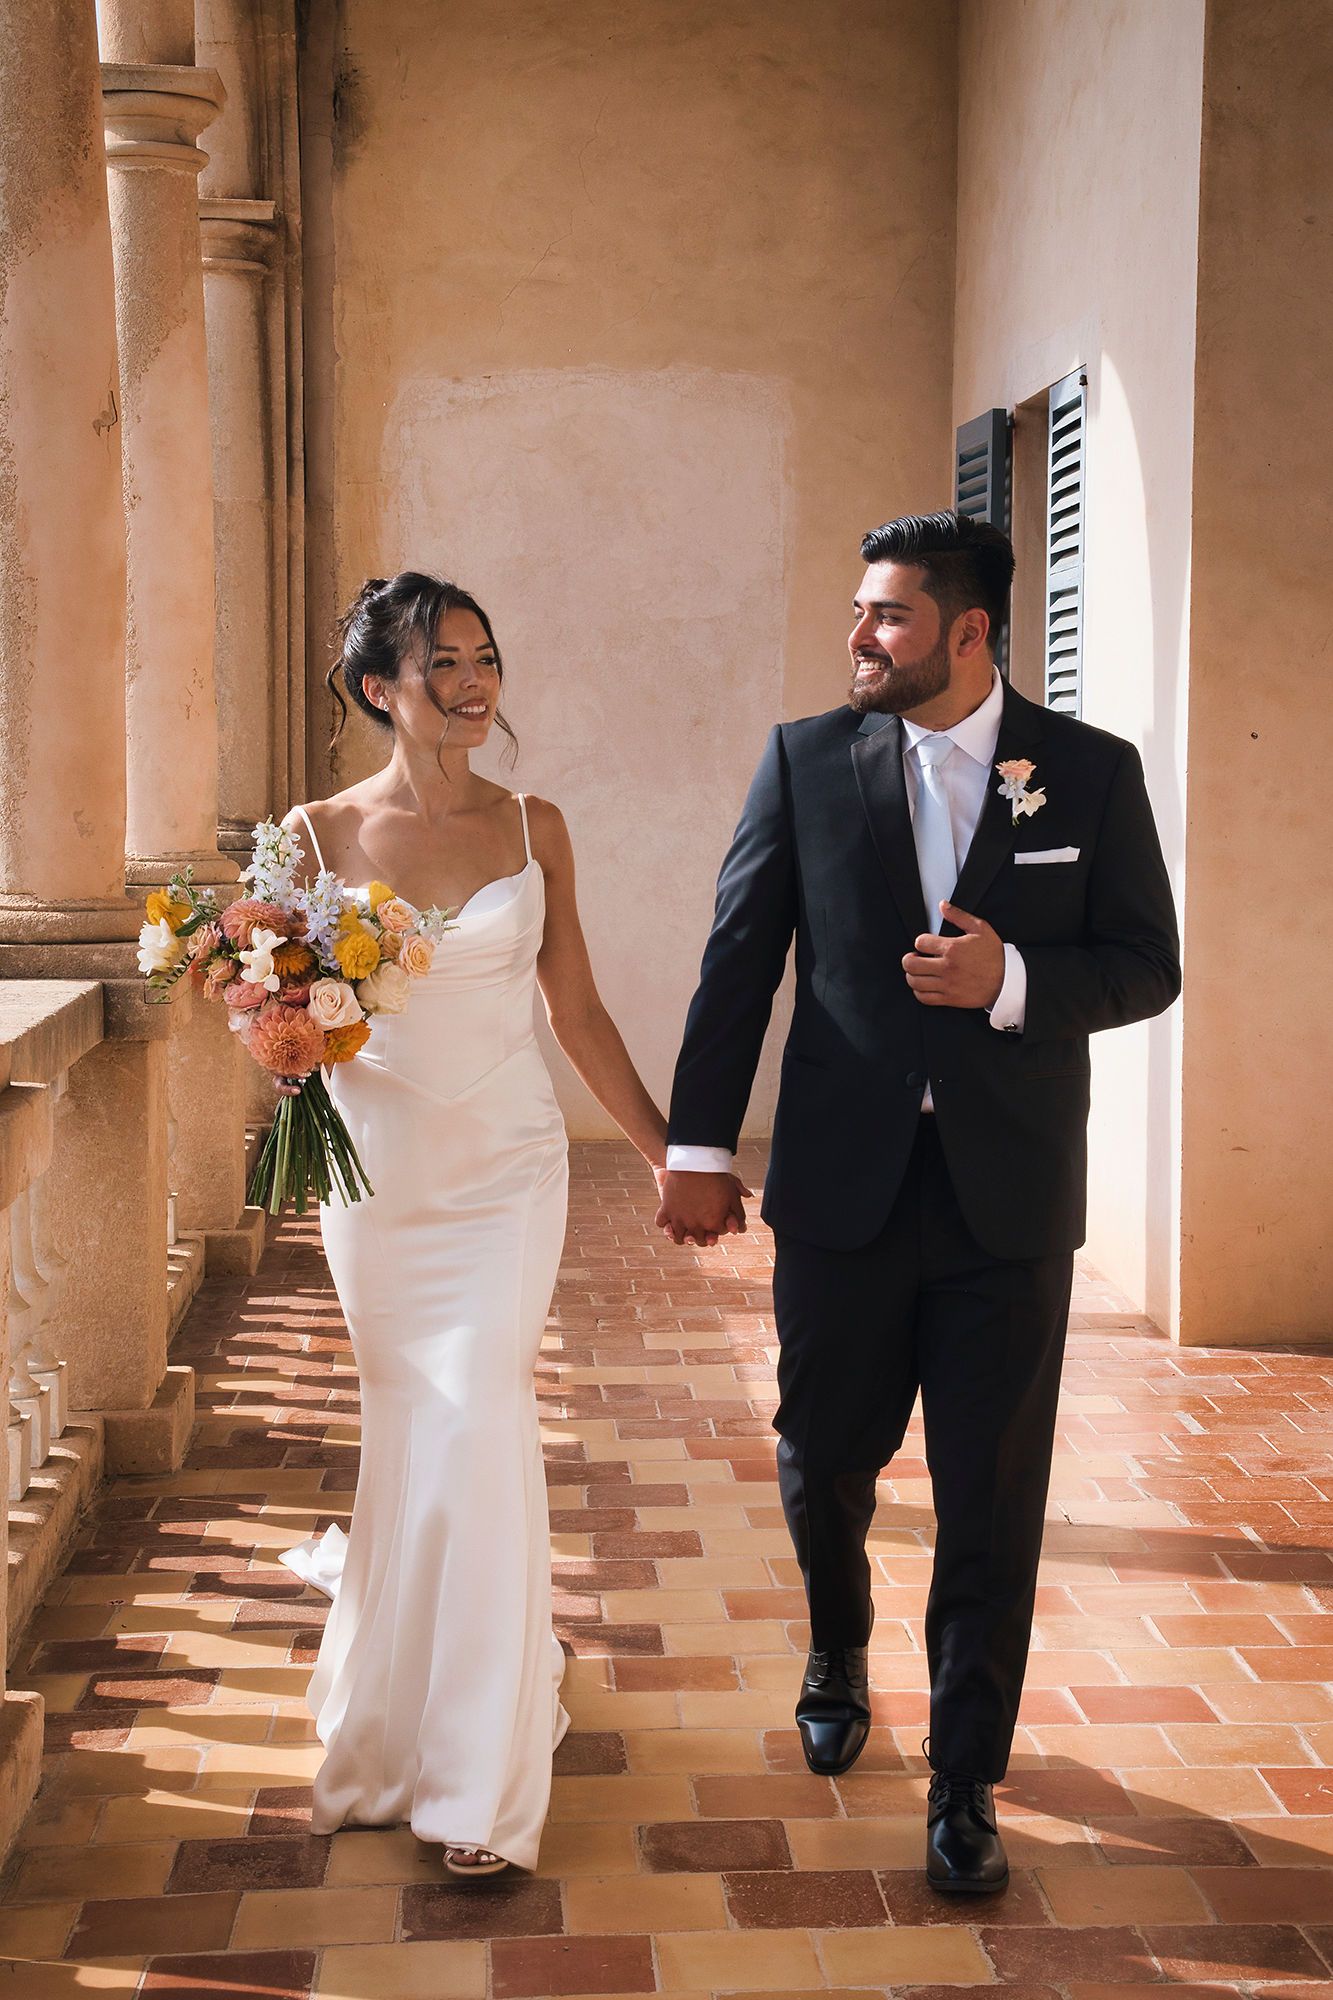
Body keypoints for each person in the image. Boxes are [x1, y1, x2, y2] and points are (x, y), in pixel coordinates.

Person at [657, 510, 1180, 1894]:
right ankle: (837, 1640)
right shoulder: (803, 763)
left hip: (1007, 1204)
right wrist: (697, 1144)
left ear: (968, 632)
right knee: (820, 1451)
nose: (857, 637)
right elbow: (738, 960)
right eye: (856, 610)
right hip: (841, 1189)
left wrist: (1011, 985)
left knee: (990, 1495)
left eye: (885, 616)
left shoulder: (1085, 773)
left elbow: (1144, 963)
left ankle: (964, 1781)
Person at [280, 572, 669, 1876]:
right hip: (380, 1180)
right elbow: (272, 1025)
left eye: (484, 656)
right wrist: (281, 1033)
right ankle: (416, 1686)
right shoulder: (311, 836)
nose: (472, 679)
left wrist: (672, 1152)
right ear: (379, 686)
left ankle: (480, 1763)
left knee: (482, 1410)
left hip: (506, 1171)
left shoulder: (533, 827)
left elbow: (578, 1013)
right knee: (415, 1425)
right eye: (441, 660)